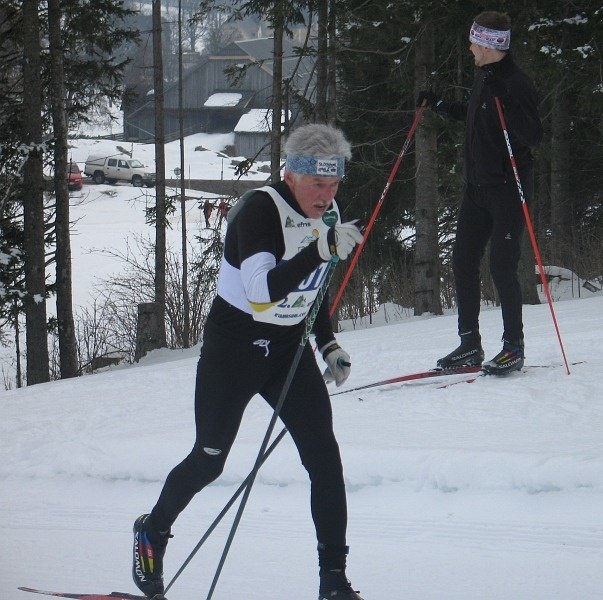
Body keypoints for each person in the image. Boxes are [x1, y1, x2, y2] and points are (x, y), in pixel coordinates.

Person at [132, 124, 366, 600]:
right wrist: (321, 248)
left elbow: (315, 286)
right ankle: (152, 531)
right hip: (235, 349)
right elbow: (261, 293)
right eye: (317, 184)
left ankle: (334, 582)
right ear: (291, 175)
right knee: (209, 460)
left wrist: (326, 343)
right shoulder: (259, 211)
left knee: (325, 460)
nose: (326, 196)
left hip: (287, 349)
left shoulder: (329, 213)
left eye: (334, 184)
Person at [418, 10, 543, 375]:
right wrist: (441, 106)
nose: (470, 48)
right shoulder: (484, 76)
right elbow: (477, 115)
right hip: (477, 188)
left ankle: (513, 347)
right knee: (462, 261)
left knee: (502, 266)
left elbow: (533, 135)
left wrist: (508, 101)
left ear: (489, 45)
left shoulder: (515, 83)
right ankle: (469, 344)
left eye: (474, 42)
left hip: (507, 188)